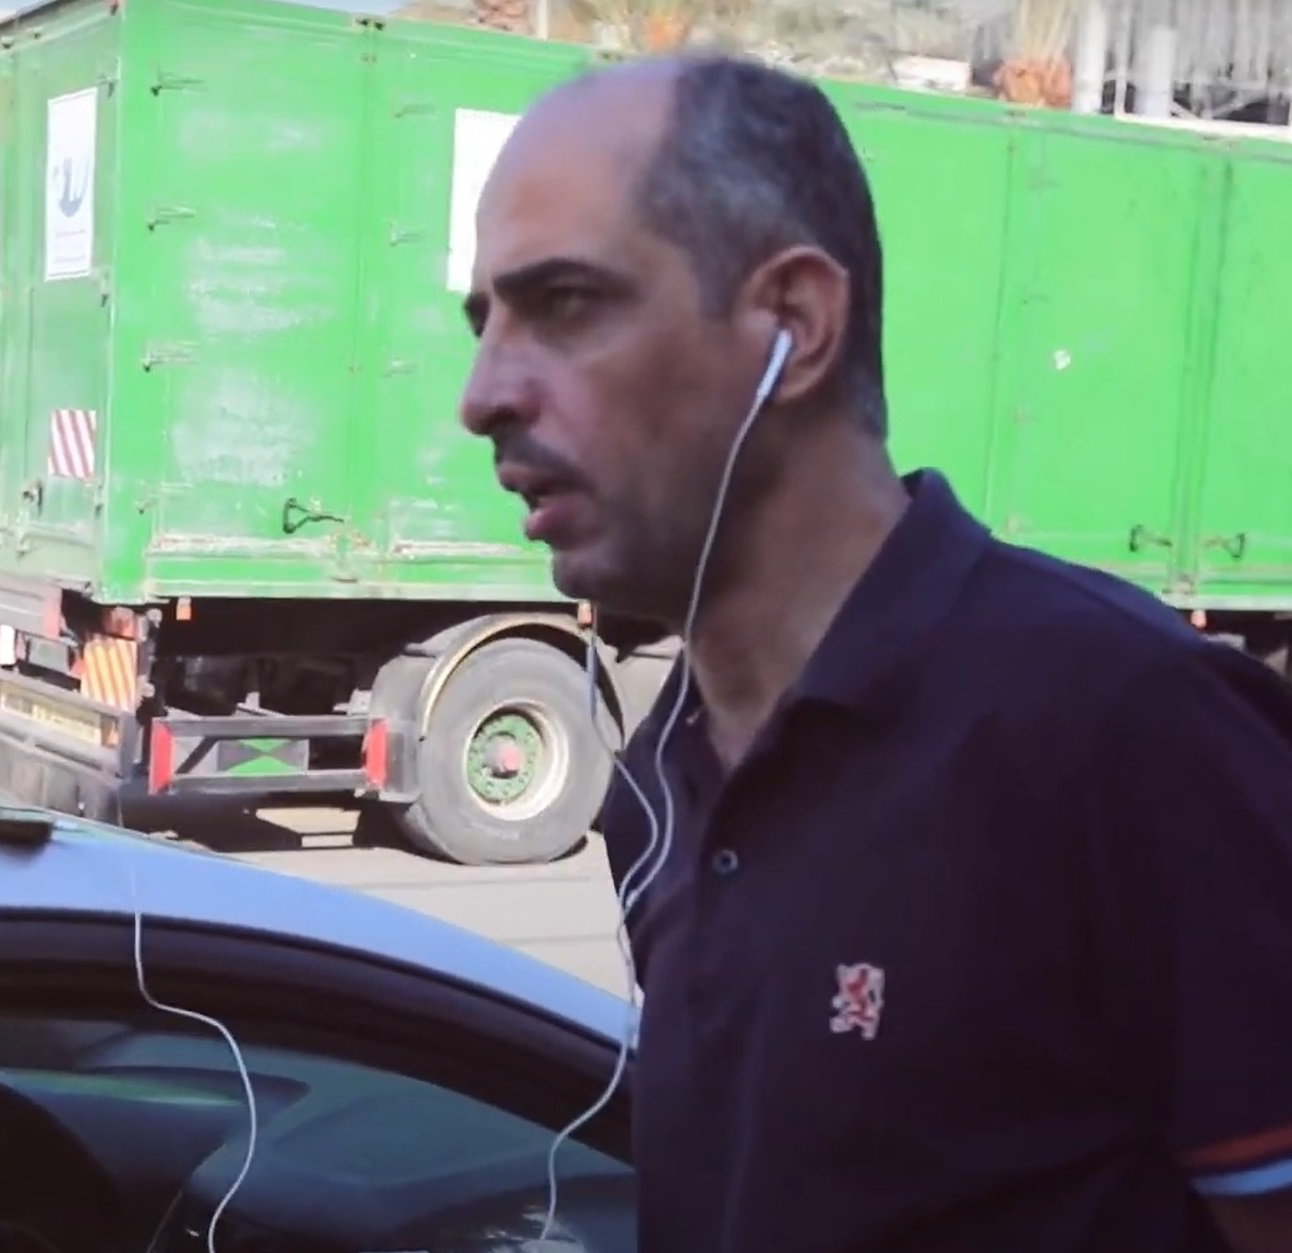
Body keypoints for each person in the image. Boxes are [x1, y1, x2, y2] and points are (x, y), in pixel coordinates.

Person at [457, 52, 1292, 1253]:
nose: (481, 394)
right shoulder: (660, 767)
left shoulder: (1123, 728)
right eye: (483, 322)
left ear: (790, 326)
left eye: (565, 305)